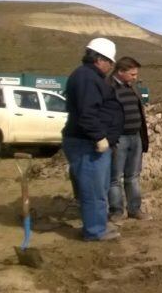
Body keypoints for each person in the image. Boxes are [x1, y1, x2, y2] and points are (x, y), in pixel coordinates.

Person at [62, 38, 123, 241]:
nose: (111, 66)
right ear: (98, 59)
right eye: (109, 61)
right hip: (86, 143)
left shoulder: (90, 76)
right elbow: (87, 113)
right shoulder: (86, 78)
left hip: (89, 142)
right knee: (93, 190)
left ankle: (98, 226)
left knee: (99, 188)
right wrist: (99, 137)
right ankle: (95, 231)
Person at [107, 57, 149, 221]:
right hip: (119, 139)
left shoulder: (132, 88)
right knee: (115, 177)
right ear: (121, 71)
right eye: (132, 74)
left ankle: (134, 209)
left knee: (133, 175)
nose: (135, 77)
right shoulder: (109, 87)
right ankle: (116, 211)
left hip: (135, 137)